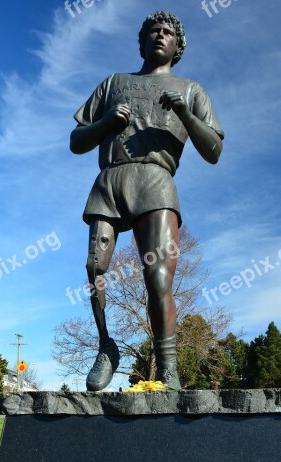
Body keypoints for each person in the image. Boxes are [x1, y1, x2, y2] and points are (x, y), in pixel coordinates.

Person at [70, 11, 224, 391]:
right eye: (153, 30)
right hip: (110, 180)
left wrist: (185, 112)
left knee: (157, 276)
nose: (160, 35)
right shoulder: (114, 83)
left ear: (178, 46)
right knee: (95, 269)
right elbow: (76, 141)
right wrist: (107, 124)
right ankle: (107, 347)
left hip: (156, 183)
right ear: (141, 42)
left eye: (168, 31)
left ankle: (168, 364)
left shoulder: (191, 89)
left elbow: (215, 149)